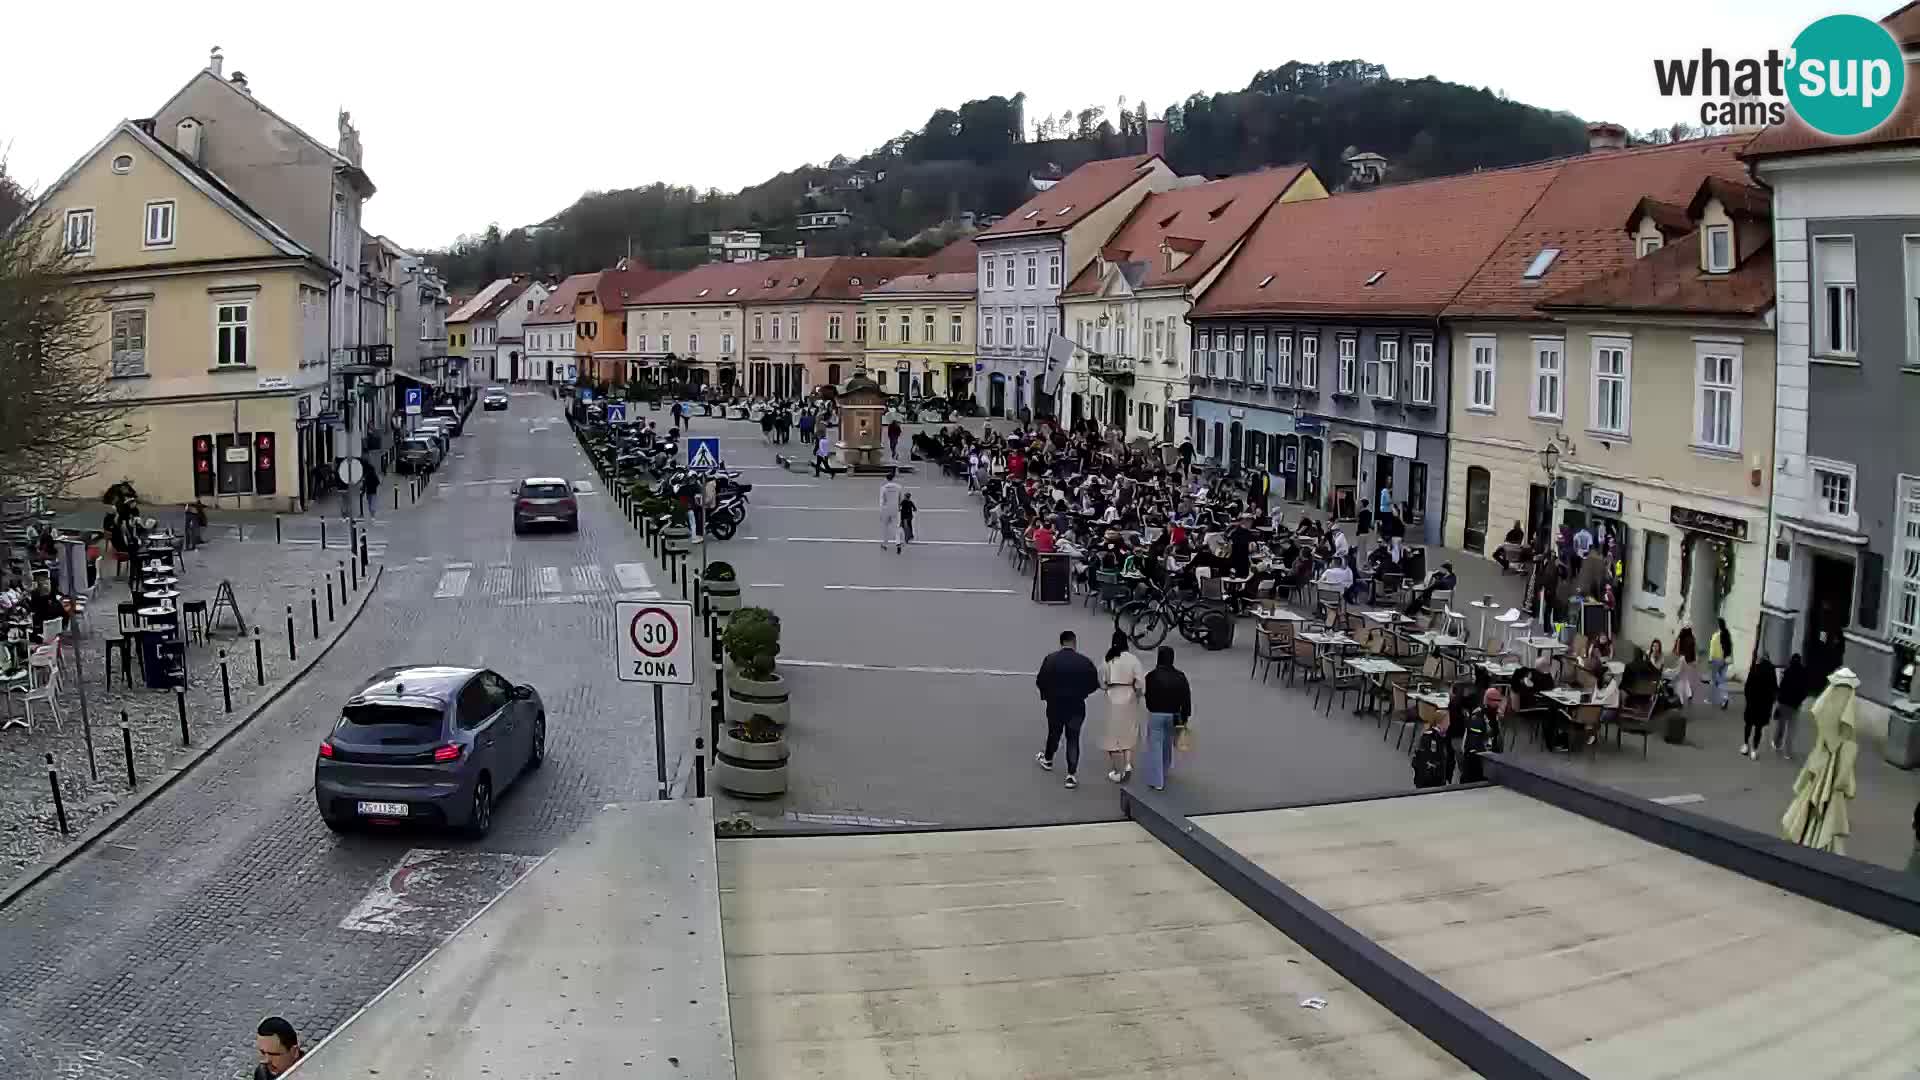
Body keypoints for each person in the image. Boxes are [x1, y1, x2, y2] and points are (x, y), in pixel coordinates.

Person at [1035, 630, 1101, 789]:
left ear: (1061, 642)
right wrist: (1082, 693)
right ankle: (1071, 775)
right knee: (1073, 738)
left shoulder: (1051, 660)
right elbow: (1094, 684)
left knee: (1054, 733)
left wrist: (1047, 696)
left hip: (1055, 705)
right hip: (1076, 706)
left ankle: (1048, 759)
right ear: (1074, 642)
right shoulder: (1085, 662)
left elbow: (1040, 681)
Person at [1141, 645, 1190, 791]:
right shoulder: (1180, 676)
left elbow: (1147, 696)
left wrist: (1151, 707)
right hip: (1174, 714)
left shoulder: (1151, 676)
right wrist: (1185, 716)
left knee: (1155, 745)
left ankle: (1157, 780)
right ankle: (1165, 768)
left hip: (1156, 713)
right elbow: (1186, 698)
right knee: (1167, 742)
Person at [1100, 631, 1146, 783]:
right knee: (1129, 731)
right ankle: (1127, 764)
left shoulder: (1108, 659)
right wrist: (1137, 694)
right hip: (1129, 696)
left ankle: (1115, 769)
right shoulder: (1133, 660)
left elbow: (1103, 681)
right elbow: (1140, 683)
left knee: (1111, 734)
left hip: (1112, 697)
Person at [1457, 686, 1505, 783]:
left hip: (1488, 762)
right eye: (1497, 701)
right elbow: (1473, 744)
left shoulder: (1493, 715)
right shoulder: (1478, 716)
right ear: (1489, 701)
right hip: (1475, 764)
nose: (1499, 704)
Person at [1773, 653, 1811, 757]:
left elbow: (1781, 688)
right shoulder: (1803, 674)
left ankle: (1777, 743)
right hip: (1795, 706)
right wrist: (1799, 701)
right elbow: (1805, 691)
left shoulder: (1787, 672)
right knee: (1791, 730)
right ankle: (1787, 752)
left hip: (1784, 704)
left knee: (1781, 726)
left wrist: (1778, 701)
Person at [1742, 650, 1778, 759]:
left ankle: (1745, 746)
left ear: (1760, 659)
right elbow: (1774, 689)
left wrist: (1748, 700)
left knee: (1748, 725)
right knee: (1758, 728)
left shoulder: (1754, 669)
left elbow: (1747, 687)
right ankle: (1754, 750)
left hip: (1752, 703)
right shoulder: (1772, 671)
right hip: (1764, 706)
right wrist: (1771, 703)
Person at [1707, 618, 1733, 710]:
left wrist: (1710, 658)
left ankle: (1717, 698)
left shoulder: (1716, 636)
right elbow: (1730, 647)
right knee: (1720, 680)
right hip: (1725, 660)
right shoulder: (1727, 634)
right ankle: (1722, 698)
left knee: (1716, 680)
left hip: (1717, 659)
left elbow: (1713, 649)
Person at [1672, 626, 1698, 709]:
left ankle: (1680, 699)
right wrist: (1694, 661)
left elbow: (1677, 651)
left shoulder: (1680, 638)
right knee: (1685, 677)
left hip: (1682, 659)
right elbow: (1694, 651)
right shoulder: (1692, 639)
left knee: (1679, 679)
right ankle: (1689, 694)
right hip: (1689, 661)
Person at [878, 469, 904, 553]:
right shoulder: (898, 487)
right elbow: (901, 499)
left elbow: (882, 501)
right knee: (896, 527)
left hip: (886, 509)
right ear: (893, 478)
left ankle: (885, 544)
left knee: (885, 527)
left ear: (886, 479)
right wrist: (899, 507)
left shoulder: (883, 488)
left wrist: (881, 511)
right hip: (895, 508)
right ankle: (898, 542)